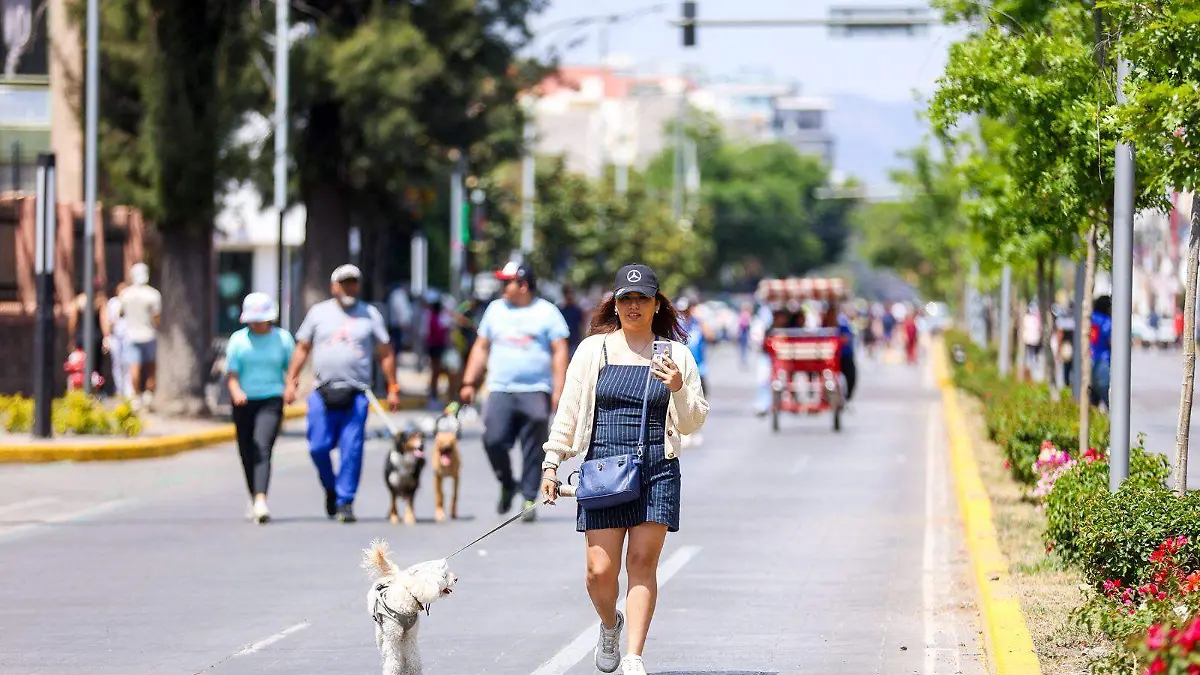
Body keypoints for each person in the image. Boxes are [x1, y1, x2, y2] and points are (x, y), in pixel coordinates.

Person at [539, 263, 708, 675]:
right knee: (599, 572)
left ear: (656, 304)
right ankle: (610, 623)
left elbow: (693, 421)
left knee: (643, 563)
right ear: (614, 305)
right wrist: (551, 463)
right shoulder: (592, 351)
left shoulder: (676, 355)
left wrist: (677, 387)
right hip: (603, 469)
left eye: (642, 299)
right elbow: (569, 410)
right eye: (626, 299)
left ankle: (634, 656)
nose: (634, 306)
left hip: (657, 468)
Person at [285, 264, 399, 523]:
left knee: (351, 450)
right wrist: (291, 382)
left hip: (356, 393)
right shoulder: (318, 313)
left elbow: (385, 352)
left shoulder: (369, 314)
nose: (349, 288)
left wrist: (393, 387)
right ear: (334, 286)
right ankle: (331, 488)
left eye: (353, 282)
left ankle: (345, 500)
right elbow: (302, 348)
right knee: (318, 447)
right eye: (344, 283)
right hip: (322, 392)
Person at [459, 261, 569, 522]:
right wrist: (468, 381)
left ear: (523, 285)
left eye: (506, 282)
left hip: (536, 389)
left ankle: (529, 497)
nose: (502, 287)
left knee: (534, 447)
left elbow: (559, 350)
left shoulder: (547, 312)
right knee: (493, 440)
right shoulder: (495, 310)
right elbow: (481, 346)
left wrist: (560, 389)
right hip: (500, 388)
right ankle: (508, 483)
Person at [225, 293, 295, 524]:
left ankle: (261, 499)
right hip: (244, 402)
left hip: (271, 399)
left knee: (262, 446)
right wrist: (236, 392)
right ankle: (254, 497)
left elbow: (291, 369)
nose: (256, 324)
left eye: (260, 320)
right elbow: (231, 374)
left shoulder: (282, 339)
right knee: (246, 451)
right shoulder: (238, 340)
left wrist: (290, 387)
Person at [118, 263, 161, 409]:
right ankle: (148, 396)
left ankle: (135, 397)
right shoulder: (153, 294)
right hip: (149, 334)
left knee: (134, 367)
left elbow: (121, 313)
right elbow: (156, 318)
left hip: (131, 335)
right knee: (151, 367)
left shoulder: (126, 294)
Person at [823, 303, 857, 402]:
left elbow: (847, 338)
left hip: (843, 356)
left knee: (851, 374)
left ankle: (847, 397)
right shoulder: (823, 327)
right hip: (827, 358)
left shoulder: (842, 326)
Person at [1090, 295, 1113, 410]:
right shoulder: (1106, 321)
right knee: (1109, 402)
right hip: (1103, 362)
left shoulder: (1090, 318)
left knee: (1092, 401)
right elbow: (1110, 341)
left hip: (1090, 360)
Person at [559, 286, 586, 358]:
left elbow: (582, 326)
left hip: (575, 341)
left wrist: (582, 341)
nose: (569, 295)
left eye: (571, 293)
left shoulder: (577, 310)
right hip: (564, 342)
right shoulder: (560, 310)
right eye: (567, 293)